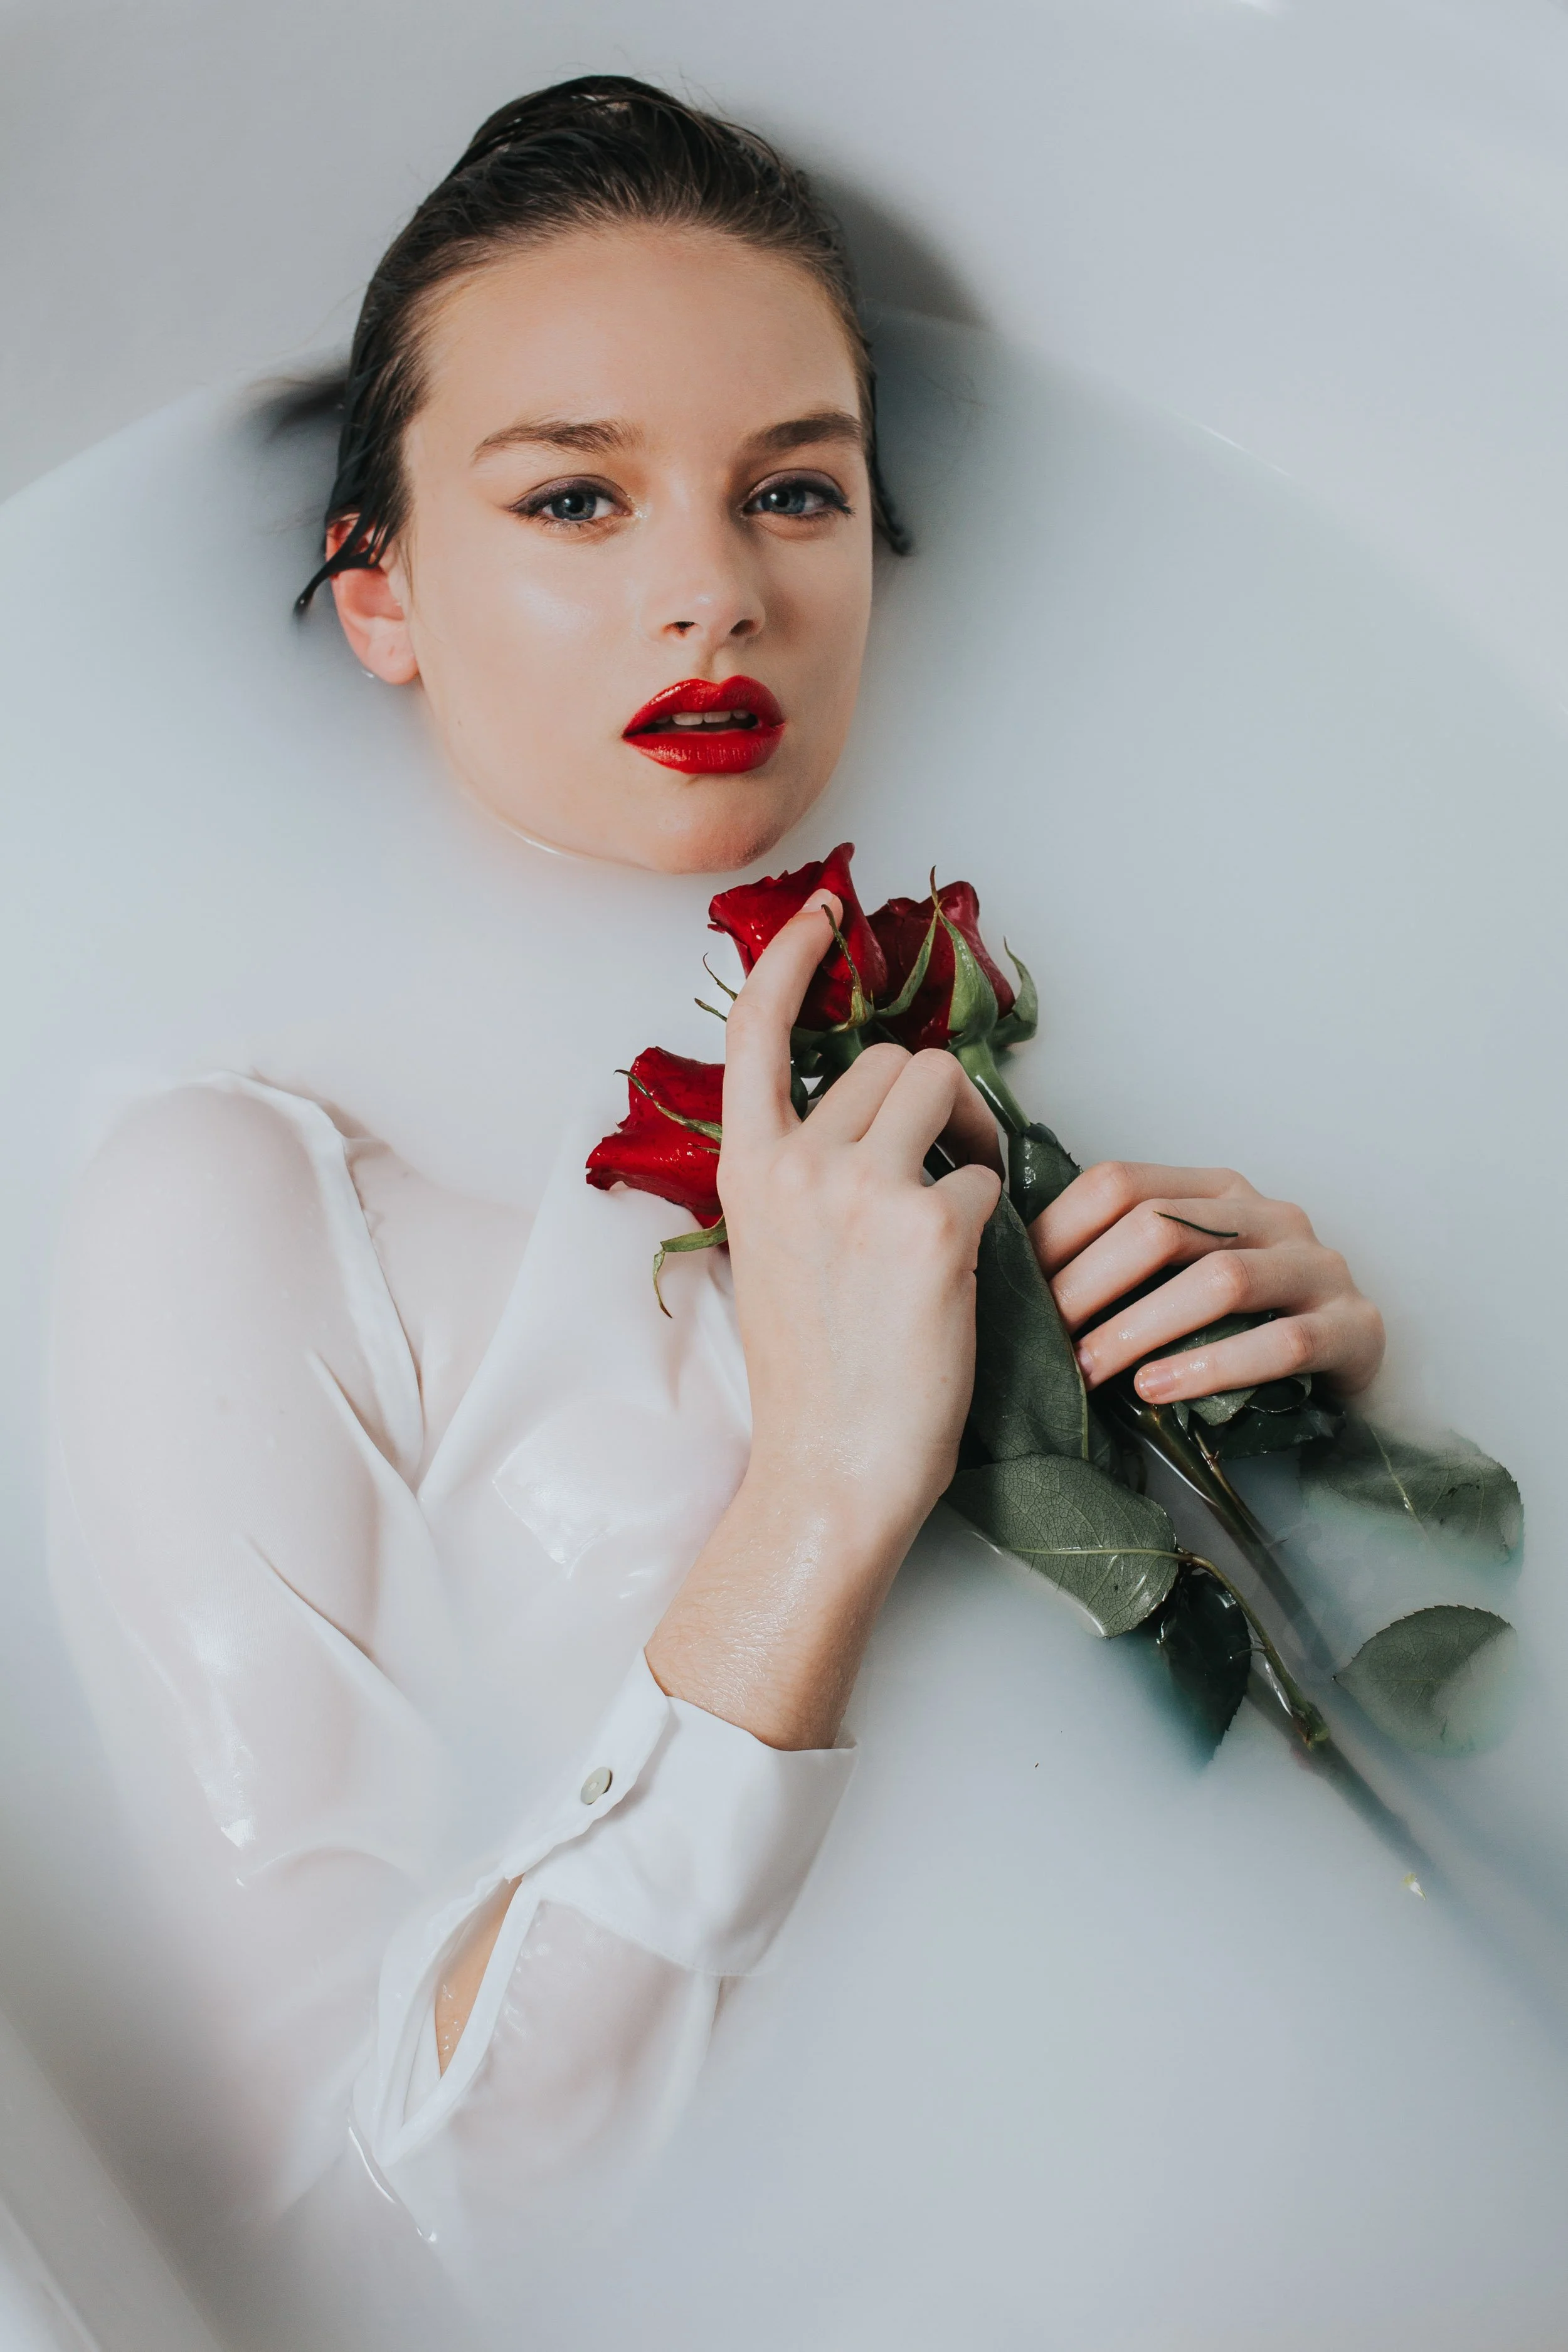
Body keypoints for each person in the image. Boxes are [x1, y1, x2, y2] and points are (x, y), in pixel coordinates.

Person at [48, 77, 1384, 2244]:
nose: (712, 591)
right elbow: (376, 2192)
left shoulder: (1034, 983)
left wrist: (1312, 1426)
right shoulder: (234, 1202)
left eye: (793, 491)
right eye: (575, 500)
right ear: (377, 595)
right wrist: (818, 1490)